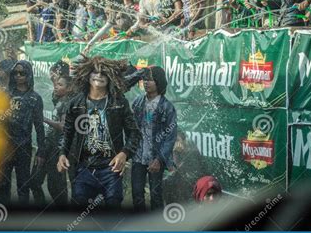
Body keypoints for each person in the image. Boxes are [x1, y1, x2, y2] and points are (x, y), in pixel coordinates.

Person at [57, 56, 141, 209]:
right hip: (84, 168)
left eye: (104, 73)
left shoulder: (119, 103)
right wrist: (62, 153)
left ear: (110, 78)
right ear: (87, 75)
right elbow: (67, 132)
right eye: (95, 72)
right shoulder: (76, 104)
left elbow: (134, 133)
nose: (99, 76)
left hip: (111, 169)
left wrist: (124, 153)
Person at [0, 60, 45, 205]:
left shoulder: (35, 98)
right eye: (15, 73)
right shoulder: (5, 95)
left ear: (29, 75)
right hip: (5, 147)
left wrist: (41, 152)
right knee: (3, 185)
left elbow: (39, 126)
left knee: (23, 186)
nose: (18, 76)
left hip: (24, 148)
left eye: (22, 73)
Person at [131, 66, 177, 211]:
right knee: (137, 194)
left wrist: (159, 159)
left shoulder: (167, 107)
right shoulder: (137, 103)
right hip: (138, 156)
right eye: (144, 79)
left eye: (150, 79)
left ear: (159, 82)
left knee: (156, 195)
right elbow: (131, 130)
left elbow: (170, 137)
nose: (146, 82)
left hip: (156, 158)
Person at [30, 75, 71, 206]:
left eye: (60, 85)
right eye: (56, 84)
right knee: (34, 181)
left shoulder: (69, 104)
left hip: (57, 149)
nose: (56, 87)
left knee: (56, 187)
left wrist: (45, 119)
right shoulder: (58, 100)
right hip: (46, 146)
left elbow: (64, 126)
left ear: (69, 88)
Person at [163, 130, 209, 204]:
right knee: (167, 181)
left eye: (177, 140)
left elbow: (191, 172)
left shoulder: (191, 151)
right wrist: (175, 153)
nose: (175, 143)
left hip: (193, 180)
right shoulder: (173, 149)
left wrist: (177, 153)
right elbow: (172, 170)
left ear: (184, 140)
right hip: (181, 178)